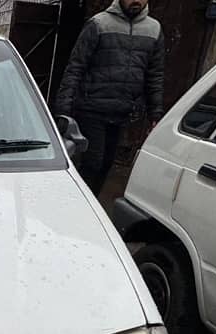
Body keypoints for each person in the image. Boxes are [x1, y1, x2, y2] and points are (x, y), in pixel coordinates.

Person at [55, 0, 164, 195]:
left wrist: (155, 114)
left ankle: (92, 204)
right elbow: (75, 67)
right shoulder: (99, 24)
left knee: (106, 164)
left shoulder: (154, 29)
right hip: (92, 109)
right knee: (92, 162)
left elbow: (154, 75)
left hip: (122, 111)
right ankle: (76, 202)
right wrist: (63, 108)